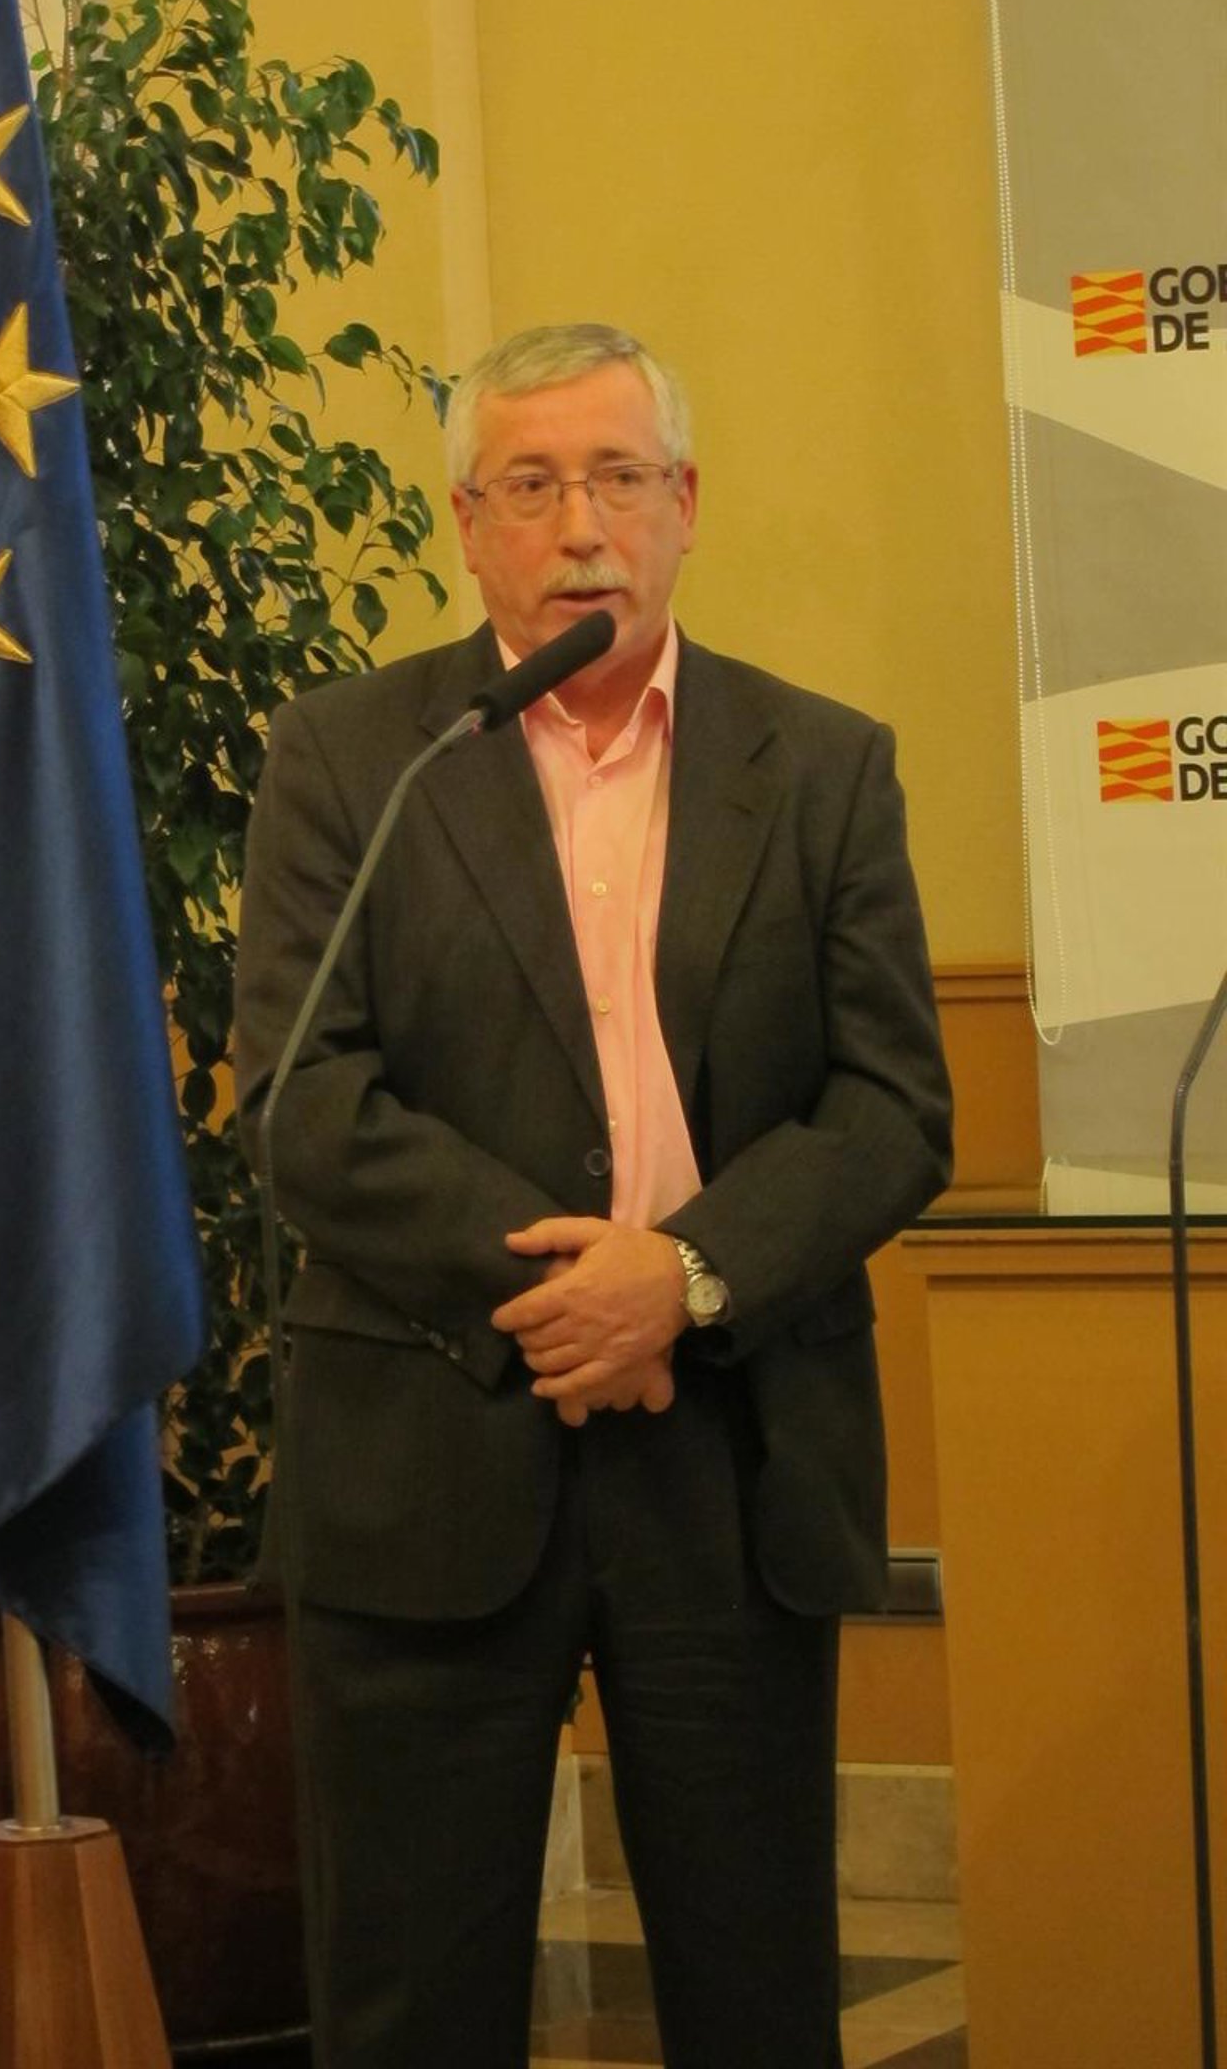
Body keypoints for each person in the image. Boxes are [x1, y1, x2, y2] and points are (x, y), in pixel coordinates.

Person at [234, 322, 952, 2069]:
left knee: (754, 1990)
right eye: (533, 486)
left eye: (619, 478)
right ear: (467, 526)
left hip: (731, 1443)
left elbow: (892, 1106)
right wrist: (571, 1297)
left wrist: (682, 1278)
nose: (582, 528)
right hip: (434, 1440)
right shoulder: (354, 757)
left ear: (685, 504)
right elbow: (303, 1097)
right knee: (412, 2001)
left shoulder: (823, 764)